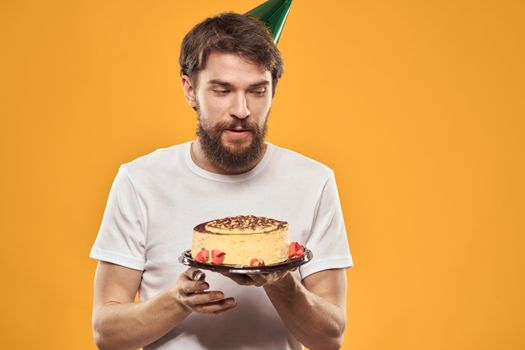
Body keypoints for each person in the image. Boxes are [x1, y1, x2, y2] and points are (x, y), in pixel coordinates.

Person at [90, 11, 353, 350]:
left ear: (273, 91)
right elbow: (107, 334)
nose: (241, 109)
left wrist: (281, 281)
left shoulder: (313, 182)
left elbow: (330, 337)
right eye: (222, 90)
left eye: (257, 91)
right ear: (190, 90)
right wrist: (178, 301)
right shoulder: (140, 181)